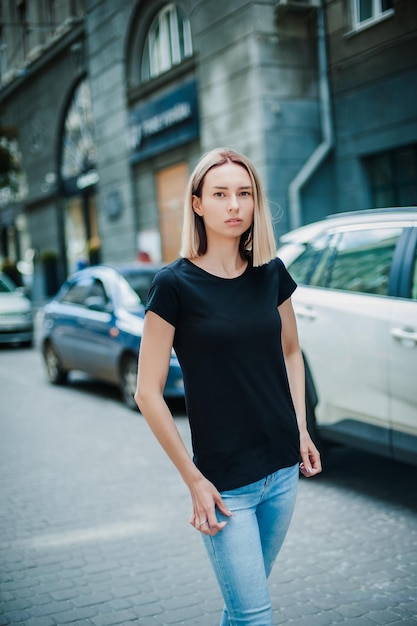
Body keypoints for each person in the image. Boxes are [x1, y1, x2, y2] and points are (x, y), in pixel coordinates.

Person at [135, 147, 322, 626]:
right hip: (224, 486)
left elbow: (291, 352)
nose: (235, 205)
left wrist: (300, 427)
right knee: (254, 615)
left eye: (244, 193)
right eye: (220, 194)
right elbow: (147, 392)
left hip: (282, 470)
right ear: (198, 204)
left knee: (243, 609)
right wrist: (193, 480)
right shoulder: (173, 285)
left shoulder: (271, 274)